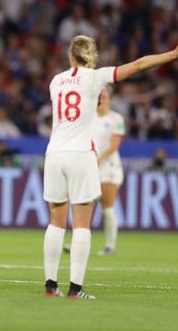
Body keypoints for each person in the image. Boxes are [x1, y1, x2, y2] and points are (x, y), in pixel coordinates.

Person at [43, 35, 178, 299]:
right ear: (91, 55)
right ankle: (75, 289)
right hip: (82, 154)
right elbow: (138, 65)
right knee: (81, 224)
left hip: (54, 153)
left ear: (70, 55)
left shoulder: (56, 80)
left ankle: (50, 286)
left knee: (56, 223)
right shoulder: (95, 77)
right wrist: (171, 56)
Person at [63, 85, 125, 256]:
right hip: (91, 166)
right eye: (99, 97)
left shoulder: (115, 119)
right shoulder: (88, 119)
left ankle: (109, 246)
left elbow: (114, 145)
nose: (101, 99)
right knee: (83, 205)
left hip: (109, 167)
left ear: (109, 99)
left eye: (104, 96)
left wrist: (100, 159)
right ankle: (78, 243)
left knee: (107, 205)